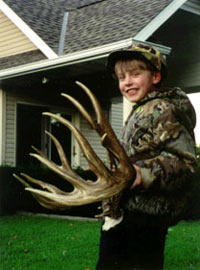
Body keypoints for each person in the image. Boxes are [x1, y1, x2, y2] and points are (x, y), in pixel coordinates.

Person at [95, 43, 198, 270]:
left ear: (156, 76)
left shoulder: (162, 109)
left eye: (135, 74)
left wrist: (143, 174)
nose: (127, 82)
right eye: (121, 77)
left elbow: (186, 164)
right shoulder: (140, 110)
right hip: (124, 212)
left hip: (146, 217)